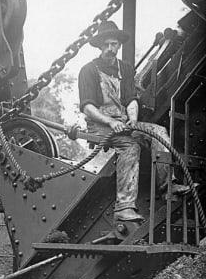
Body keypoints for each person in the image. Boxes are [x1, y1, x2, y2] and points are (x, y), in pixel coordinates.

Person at [78, 20, 190, 222]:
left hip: (124, 122)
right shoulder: (88, 70)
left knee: (159, 131)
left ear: (119, 45)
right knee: (130, 147)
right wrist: (111, 123)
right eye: (106, 45)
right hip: (101, 126)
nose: (110, 49)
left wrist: (133, 119)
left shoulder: (126, 69)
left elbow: (131, 99)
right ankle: (124, 207)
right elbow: (87, 106)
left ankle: (169, 186)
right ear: (100, 45)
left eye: (114, 44)